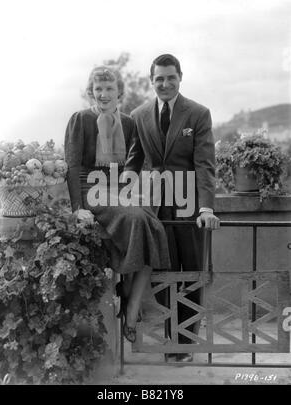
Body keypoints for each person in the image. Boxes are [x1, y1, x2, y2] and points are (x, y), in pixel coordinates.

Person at [124, 54, 220, 361]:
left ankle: (186, 342)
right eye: (159, 79)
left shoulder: (198, 113)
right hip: (154, 207)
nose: (165, 84)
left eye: (170, 77)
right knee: (162, 273)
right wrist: (118, 194)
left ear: (180, 77)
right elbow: (133, 160)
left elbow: (205, 165)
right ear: (152, 81)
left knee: (190, 272)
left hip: (190, 207)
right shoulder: (138, 114)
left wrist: (206, 208)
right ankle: (170, 338)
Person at [64, 66, 171, 343]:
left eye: (109, 88)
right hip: (92, 190)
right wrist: (78, 208)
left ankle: (131, 307)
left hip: (119, 191)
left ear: (118, 92)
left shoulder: (128, 122)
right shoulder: (80, 119)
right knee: (136, 218)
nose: (103, 94)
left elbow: (134, 164)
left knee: (152, 224)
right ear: (91, 92)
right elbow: (73, 167)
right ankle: (124, 293)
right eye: (98, 89)